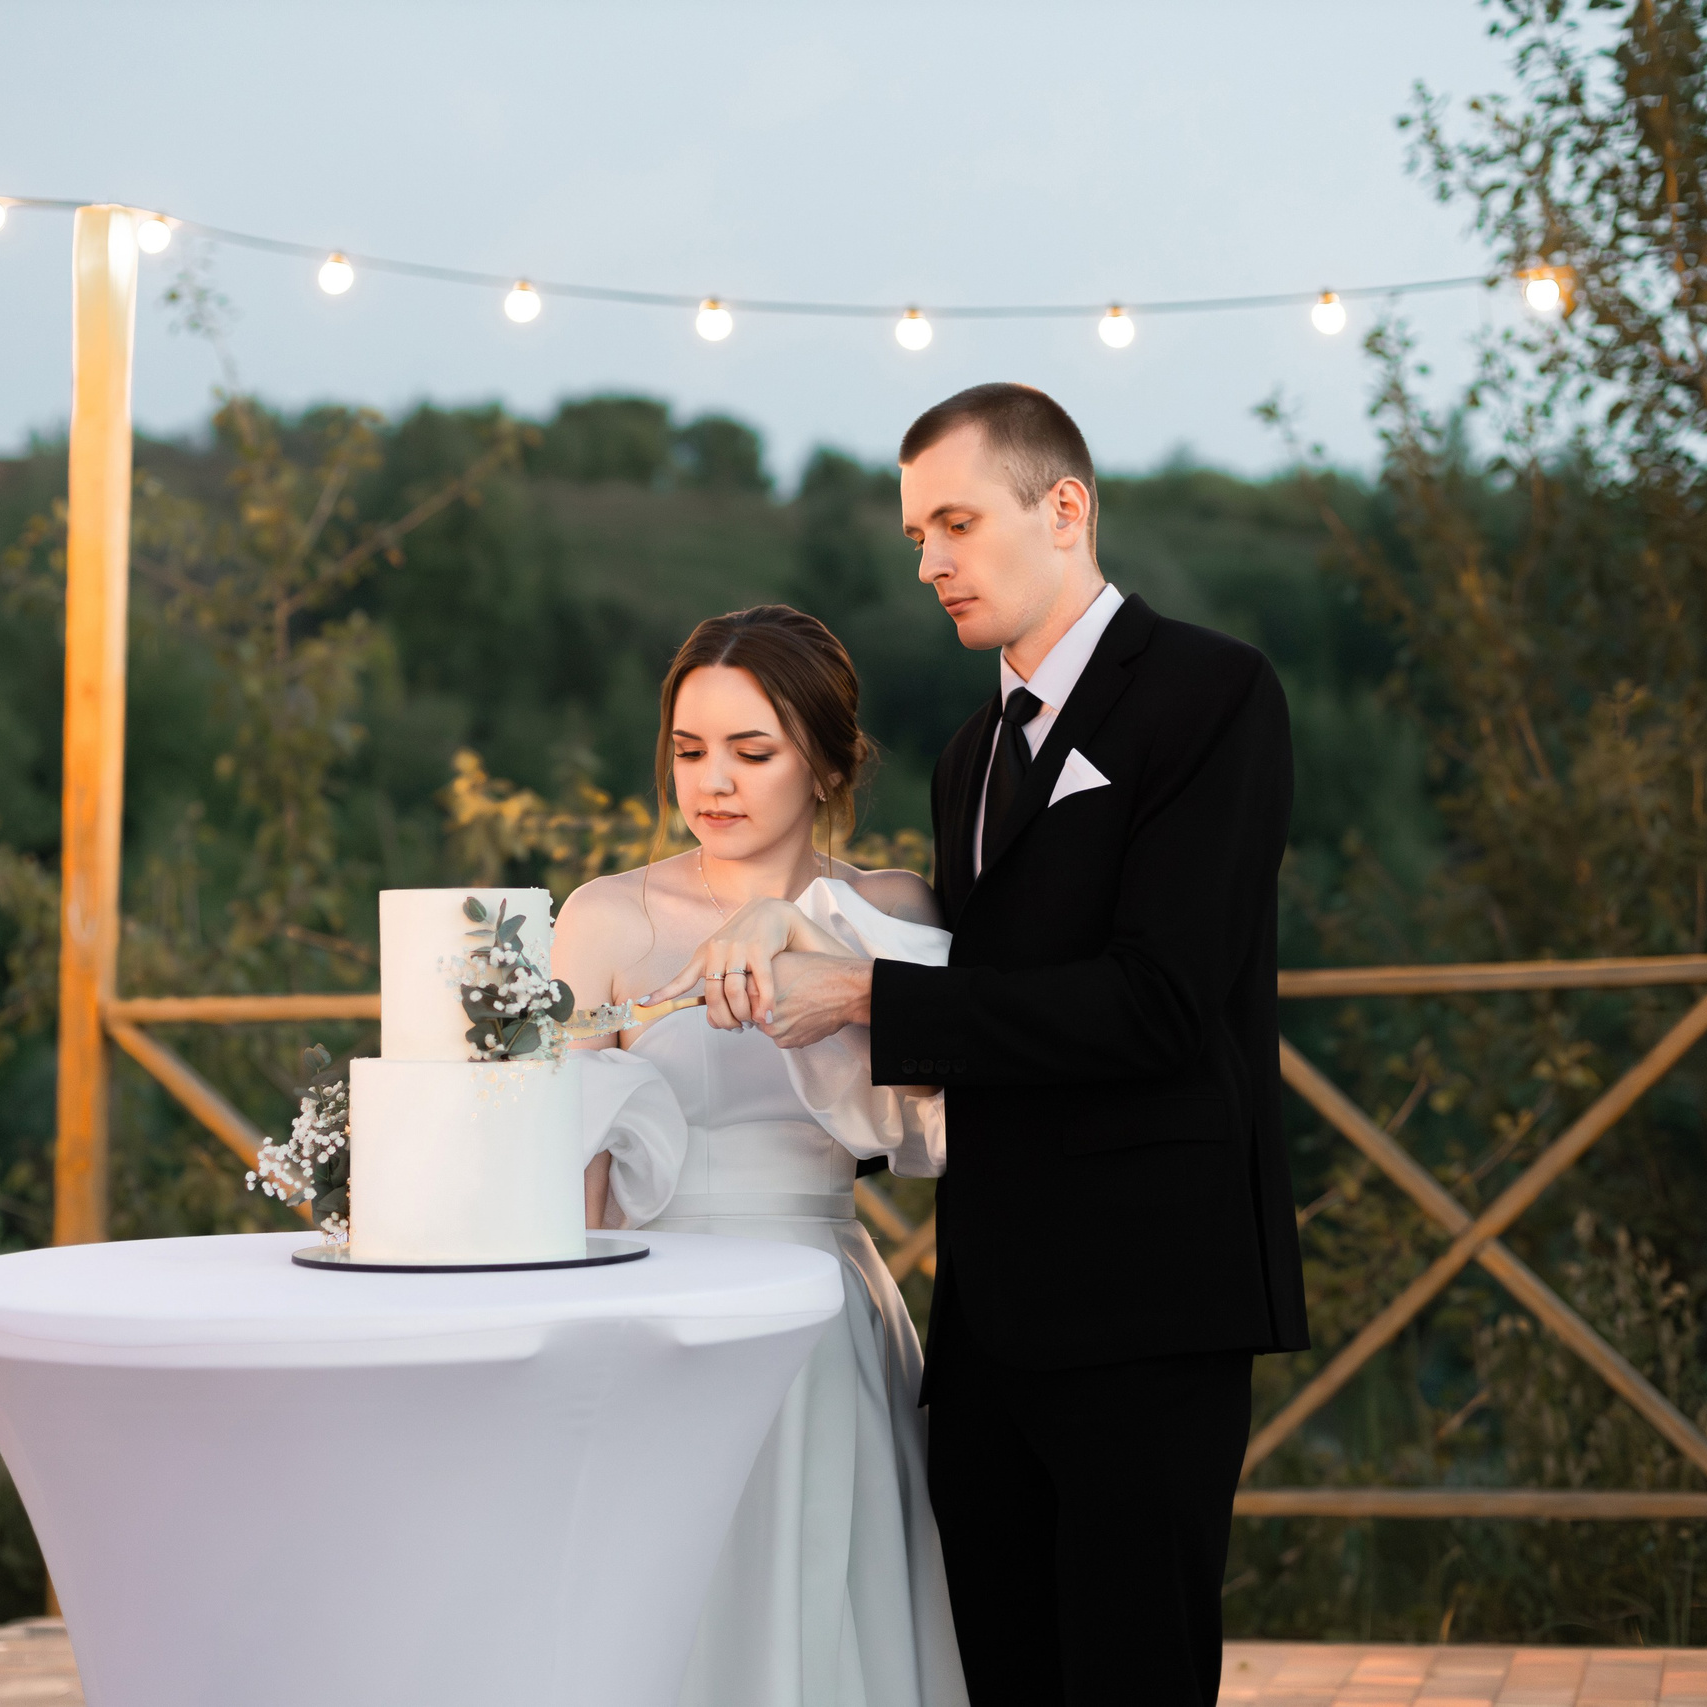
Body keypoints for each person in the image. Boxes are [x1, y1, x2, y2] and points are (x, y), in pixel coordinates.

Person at [647, 384, 1309, 1707]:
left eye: (955, 521)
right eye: (914, 535)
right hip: (991, 1311)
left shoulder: (1212, 690)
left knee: (1130, 1671)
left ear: (1064, 507)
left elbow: (1163, 999)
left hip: (1152, 1296)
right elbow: (986, 989)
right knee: (997, 1666)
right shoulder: (969, 755)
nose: (931, 560)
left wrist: (869, 1001)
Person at [552, 605, 969, 1707]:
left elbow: (939, 1096)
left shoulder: (892, 909)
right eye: (690, 751)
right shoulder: (604, 919)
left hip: (815, 1311)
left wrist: (812, 941)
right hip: (646, 1319)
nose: (712, 783)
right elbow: (569, 1180)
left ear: (827, 761)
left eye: (751, 750)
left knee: (822, 1614)